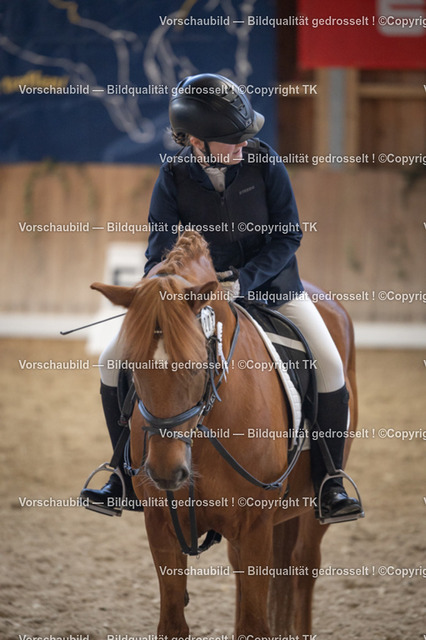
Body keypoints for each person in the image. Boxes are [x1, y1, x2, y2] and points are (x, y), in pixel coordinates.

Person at [81, 73, 363, 523]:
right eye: (232, 140)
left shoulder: (264, 163)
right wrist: (162, 289)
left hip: (271, 288)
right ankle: (120, 472)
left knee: (329, 364)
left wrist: (244, 281)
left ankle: (330, 480)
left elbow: (288, 236)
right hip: (196, 297)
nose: (242, 145)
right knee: (110, 361)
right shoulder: (173, 174)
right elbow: (159, 248)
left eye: (243, 137)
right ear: (196, 141)